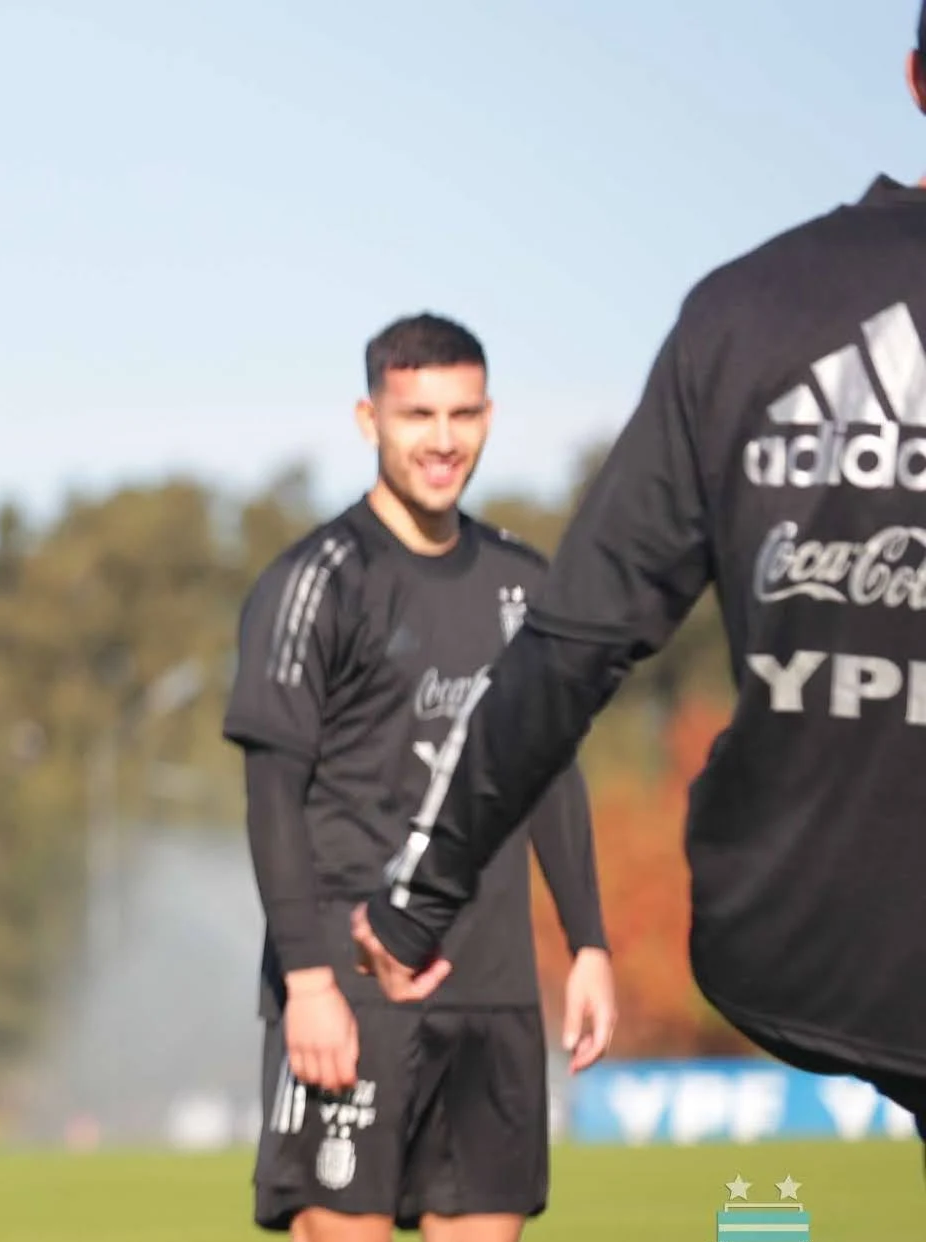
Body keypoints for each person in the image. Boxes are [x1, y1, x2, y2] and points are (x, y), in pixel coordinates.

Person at [352, 8, 926, 1144]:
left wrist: (424, 888)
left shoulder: (746, 311)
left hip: (803, 925)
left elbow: (573, 641)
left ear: (912, 80)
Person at [223, 314, 618, 1242]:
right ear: (368, 420)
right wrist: (305, 976)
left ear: (485, 417)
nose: (440, 439)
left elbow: (548, 773)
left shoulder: (524, 586)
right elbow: (270, 791)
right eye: (415, 416)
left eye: (460, 415)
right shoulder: (317, 581)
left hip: (489, 987)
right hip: (350, 985)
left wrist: (586, 943)